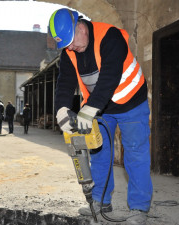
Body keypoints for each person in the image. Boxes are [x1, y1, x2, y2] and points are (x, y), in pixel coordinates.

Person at [49, 8, 152, 225]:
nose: (71, 48)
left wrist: (88, 109)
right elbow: (65, 83)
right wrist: (61, 109)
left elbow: (109, 77)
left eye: (72, 42)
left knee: (135, 153)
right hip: (102, 109)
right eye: (66, 45)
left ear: (81, 26)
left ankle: (139, 208)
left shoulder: (109, 36)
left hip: (131, 101)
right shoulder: (69, 51)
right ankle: (100, 201)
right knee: (99, 153)